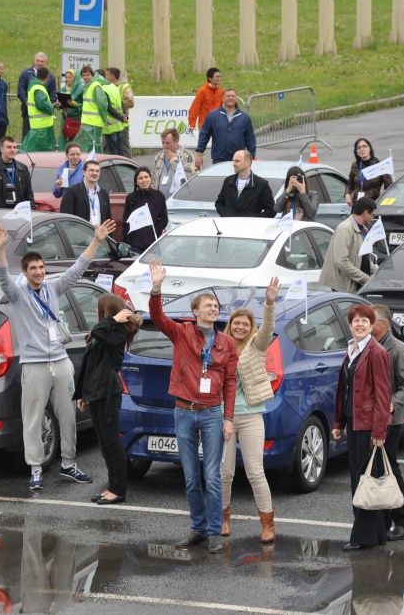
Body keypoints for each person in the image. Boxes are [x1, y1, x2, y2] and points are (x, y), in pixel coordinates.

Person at [0, 218, 115, 490]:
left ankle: (69, 464)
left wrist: (96, 240)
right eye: (33, 268)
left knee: (68, 414)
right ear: (24, 272)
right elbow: (2, 278)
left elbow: (78, 268)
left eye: (41, 267)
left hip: (60, 361)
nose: (39, 271)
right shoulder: (18, 294)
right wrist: (1, 249)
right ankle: (35, 469)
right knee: (34, 417)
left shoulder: (53, 288)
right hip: (34, 365)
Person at [148, 257, 238, 554]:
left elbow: (229, 382)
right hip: (184, 410)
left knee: (211, 476)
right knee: (190, 476)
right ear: (195, 311)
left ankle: (214, 531)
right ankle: (198, 528)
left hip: (212, 413)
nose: (214, 309)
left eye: (216, 306)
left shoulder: (227, 343)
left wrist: (228, 418)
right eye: (208, 305)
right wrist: (157, 287)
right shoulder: (182, 333)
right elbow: (158, 317)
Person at [221, 276, 280, 544]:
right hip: (223, 419)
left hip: (250, 416)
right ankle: (222, 518)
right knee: (224, 471)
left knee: (255, 471)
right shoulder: (219, 347)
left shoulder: (257, 345)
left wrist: (269, 303)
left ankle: (267, 524)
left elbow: (267, 328)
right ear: (230, 325)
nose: (241, 327)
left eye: (246, 324)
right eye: (237, 323)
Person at [332, 304, 392, 551]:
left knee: (364, 479)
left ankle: (363, 537)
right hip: (354, 422)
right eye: (355, 320)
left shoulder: (376, 352)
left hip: (368, 426)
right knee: (360, 476)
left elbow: (382, 396)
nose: (359, 324)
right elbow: (343, 391)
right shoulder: (352, 349)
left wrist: (379, 433)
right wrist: (339, 422)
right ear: (350, 324)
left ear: (371, 325)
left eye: (364, 321)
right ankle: (377, 533)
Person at [73, 294, 141, 505]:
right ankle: (112, 485)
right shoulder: (107, 330)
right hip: (96, 392)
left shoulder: (117, 333)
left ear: (109, 312)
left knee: (112, 442)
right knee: (103, 443)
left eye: (99, 309)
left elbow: (99, 331)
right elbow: (89, 365)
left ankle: (118, 489)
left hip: (109, 393)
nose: (95, 312)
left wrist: (112, 320)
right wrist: (82, 394)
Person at [370, 304, 404, 542]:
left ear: (384, 325)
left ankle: (402, 521)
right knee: (375, 470)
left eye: (371, 320)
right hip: (369, 418)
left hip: (390, 420)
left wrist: (391, 403)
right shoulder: (364, 345)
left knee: (390, 470)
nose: (365, 323)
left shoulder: (399, 349)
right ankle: (382, 520)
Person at [319, 197, 377, 293]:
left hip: (355, 285)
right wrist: (365, 278)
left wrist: (377, 273)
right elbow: (340, 261)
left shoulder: (362, 229)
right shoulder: (345, 229)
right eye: (372, 215)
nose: (373, 218)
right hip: (343, 288)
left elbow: (363, 257)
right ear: (365, 213)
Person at [195, 89, 256, 168]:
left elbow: (250, 140)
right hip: (219, 159)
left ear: (236, 98)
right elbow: (204, 135)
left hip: (239, 160)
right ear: (223, 99)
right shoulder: (213, 116)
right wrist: (199, 154)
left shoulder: (244, 118)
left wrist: (251, 158)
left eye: (233, 96)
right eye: (228, 96)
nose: (230, 98)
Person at [214, 150, 274, 218]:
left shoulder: (261, 184)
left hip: (250, 227)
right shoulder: (228, 181)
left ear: (247, 162)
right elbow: (219, 203)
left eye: (237, 161)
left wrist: (255, 219)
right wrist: (226, 214)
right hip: (229, 225)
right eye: (233, 160)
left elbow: (271, 210)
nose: (233, 164)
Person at [78, 67, 125, 155]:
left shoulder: (95, 86)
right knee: (94, 148)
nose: (85, 77)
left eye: (88, 75)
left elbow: (103, 105)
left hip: (95, 123)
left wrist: (105, 118)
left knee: (96, 149)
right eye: (83, 75)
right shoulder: (90, 86)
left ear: (93, 75)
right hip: (92, 122)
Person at [122, 168, 167, 253]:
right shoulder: (130, 198)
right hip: (135, 244)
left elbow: (164, 218)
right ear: (136, 182)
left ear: (150, 178)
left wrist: (156, 231)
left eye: (146, 177)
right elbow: (126, 221)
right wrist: (127, 242)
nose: (144, 180)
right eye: (140, 178)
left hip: (153, 243)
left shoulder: (159, 196)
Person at [18, 53, 58, 140]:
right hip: (29, 111)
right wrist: (25, 101)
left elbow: (53, 92)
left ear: (45, 63)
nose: (39, 63)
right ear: (34, 61)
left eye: (42, 61)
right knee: (27, 136)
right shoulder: (26, 74)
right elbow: (21, 90)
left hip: (44, 113)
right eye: (38, 61)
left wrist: (50, 105)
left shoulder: (50, 76)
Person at [60, 160, 111, 227]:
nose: (95, 173)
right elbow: (65, 218)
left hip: (100, 235)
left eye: (97, 171)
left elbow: (108, 219)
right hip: (81, 235)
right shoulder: (72, 191)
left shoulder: (104, 193)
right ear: (84, 172)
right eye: (91, 170)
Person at [151, 128, 197, 198]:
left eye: (167, 143)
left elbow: (188, 176)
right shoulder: (159, 156)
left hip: (178, 200)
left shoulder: (187, 155)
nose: (164, 146)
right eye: (163, 142)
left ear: (176, 141)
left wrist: (174, 160)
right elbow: (154, 180)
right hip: (160, 202)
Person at [345, 138, 392, 205]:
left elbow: (389, 188)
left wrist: (386, 204)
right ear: (356, 152)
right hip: (357, 205)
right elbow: (350, 183)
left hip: (372, 204)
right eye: (359, 148)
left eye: (364, 146)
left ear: (370, 149)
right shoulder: (355, 165)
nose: (362, 149)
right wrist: (347, 194)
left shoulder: (380, 166)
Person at [21, 67, 56, 153]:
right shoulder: (39, 88)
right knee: (40, 152)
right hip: (42, 126)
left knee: (32, 149)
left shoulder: (35, 86)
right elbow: (42, 105)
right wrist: (52, 106)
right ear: (48, 76)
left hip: (38, 125)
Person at [103, 67, 133, 157]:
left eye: (107, 75)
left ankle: (130, 167)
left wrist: (116, 100)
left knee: (124, 147)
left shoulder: (124, 87)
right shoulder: (106, 86)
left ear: (112, 76)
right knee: (106, 147)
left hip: (122, 123)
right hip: (109, 124)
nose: (105, 77)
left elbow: (131, 103)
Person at [188, 67, 223, 136]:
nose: (219, 78)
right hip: (205, 125)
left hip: (218, 125)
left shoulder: (220, 90)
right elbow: (195, 108)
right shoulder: (202, 91)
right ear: (210, 79)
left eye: (220, 76)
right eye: (217, 77)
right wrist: (192, 124)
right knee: (202, 146)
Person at [58, 69, 84, 150]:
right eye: (66, 77)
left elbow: (85, 103)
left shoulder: (80, 88)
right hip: (65, 117)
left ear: (75, 78)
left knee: (75, 138)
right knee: (65, 137)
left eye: (70, 77)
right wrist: (60, 105)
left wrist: (76, 104)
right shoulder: (64, 89)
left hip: (75, 117)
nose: (68, 79)